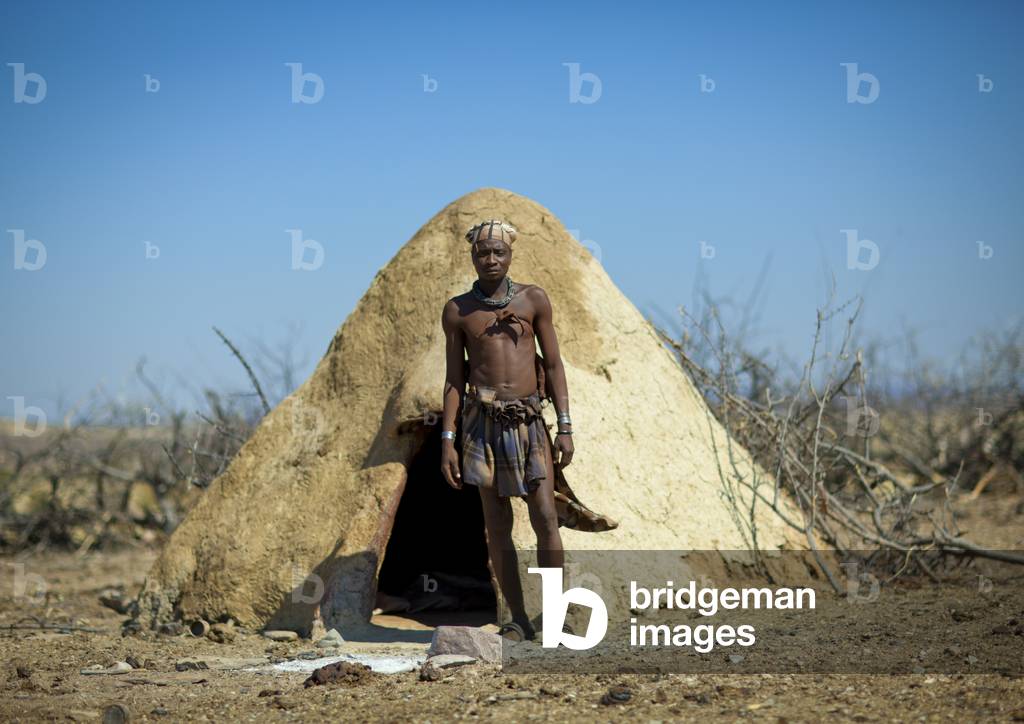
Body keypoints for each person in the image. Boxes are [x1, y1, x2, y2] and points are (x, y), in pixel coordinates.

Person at [439, 219, 574, 641]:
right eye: (483, 253)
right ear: (472, 257)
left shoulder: (534, 300)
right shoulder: (458, 310)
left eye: (499, 252)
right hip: (482, 424)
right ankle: (517, 618)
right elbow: (453, 380)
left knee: (546, 517)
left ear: (511, 255)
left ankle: (556, 616)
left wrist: (565, 426)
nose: (491, 259)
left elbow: (552, 365)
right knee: (496, 525)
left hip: (530, 420)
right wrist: (447, 439)